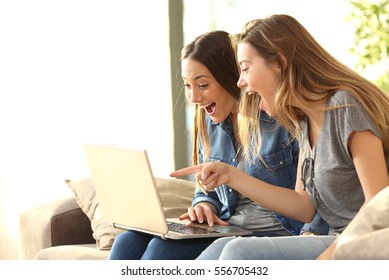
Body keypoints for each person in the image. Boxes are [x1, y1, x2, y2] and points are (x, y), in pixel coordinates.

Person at [171, 14, 389, 260]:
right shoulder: (305, 121)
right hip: (336, 240)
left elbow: (379, 208)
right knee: (219, 251)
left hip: (364, 244)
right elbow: (303, 207)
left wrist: (324, 260)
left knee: (238, 252)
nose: (240, 82)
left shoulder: (344, 106)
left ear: (279, 63)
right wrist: (230, 175)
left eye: (245, 68)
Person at [108, 30, 327, 260]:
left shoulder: (279, 117)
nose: (193, 97)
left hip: (274, 234)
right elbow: (207, 190)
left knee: (161, 252)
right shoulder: (209, 121)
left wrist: (311, 234)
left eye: (202, 84)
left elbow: (319, 191)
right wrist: (205, 205)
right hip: (228, 229)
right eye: (187, 85)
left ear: (231, 77)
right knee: (128, 241)